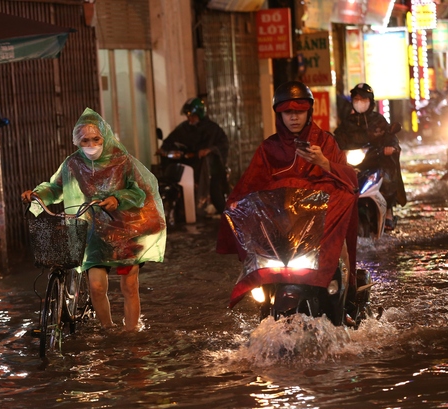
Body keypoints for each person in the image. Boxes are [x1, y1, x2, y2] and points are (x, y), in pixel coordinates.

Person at [216, 80, 360, 316]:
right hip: (281, 234)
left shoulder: (325, 142)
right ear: (279, 115)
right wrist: (235, 205)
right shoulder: (267, 149)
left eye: (299, 111)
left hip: (321, 231)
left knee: (339, 254)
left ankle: (343, 306)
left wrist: (323, 163)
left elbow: (349, 182)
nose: (294, 117)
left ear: (309, 111)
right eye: (287, 112)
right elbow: (249, 187)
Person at [21, 108, 166, 332]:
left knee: (129, 286)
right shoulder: (72, 164)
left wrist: (117, 199)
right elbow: (56, 187)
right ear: (77, 142)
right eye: (85, 141)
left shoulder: (123, 160)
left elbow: (140, 191)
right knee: (97, 286)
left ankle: (131, 333)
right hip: (94, 232)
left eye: (95, 139)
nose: (91, 145)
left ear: (104, 137)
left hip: (127, 230)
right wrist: (38, 195)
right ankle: (108, 329)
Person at [334, 83, 407, 231]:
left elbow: (391, 137)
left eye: (363, 99)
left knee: (387, 174)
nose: (360, 102)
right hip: (354, 165)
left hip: (376, 161)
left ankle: (388, 211)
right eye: (357, 98)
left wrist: (391, 148)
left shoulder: (379, 121)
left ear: (370, 101)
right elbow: (337, 141)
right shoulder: (347, 124)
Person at [159, 97, 229, 215]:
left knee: (215, 190)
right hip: (189, 163)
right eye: (188, 116)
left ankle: (226, 217)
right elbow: (169, 141)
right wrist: (163, 150)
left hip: (209, 168)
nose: (189, 119)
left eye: (192, 116)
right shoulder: (184, 128)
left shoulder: (212, 129)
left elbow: (223, 144)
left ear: (200, 115)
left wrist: (209, 150)